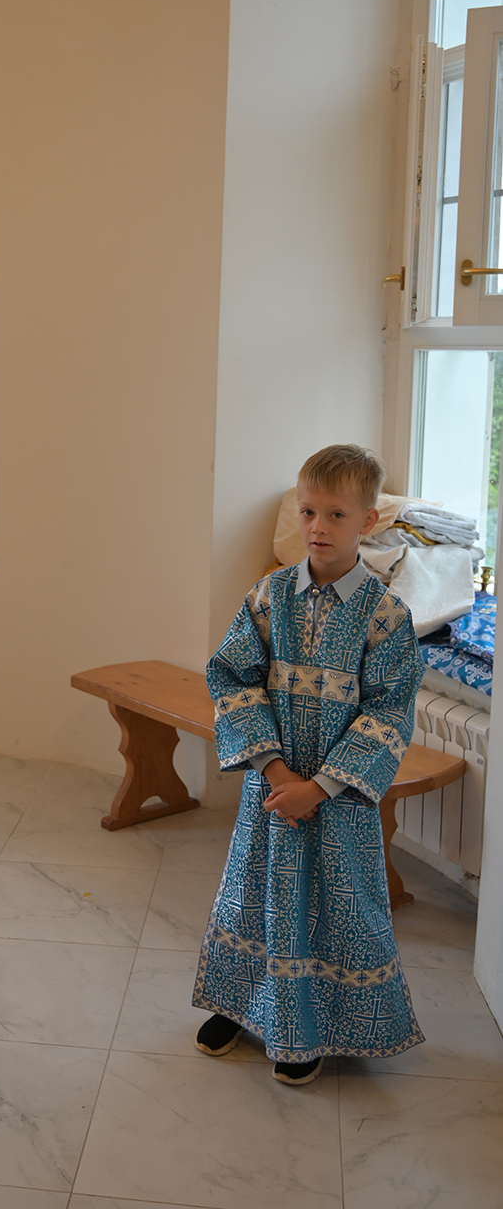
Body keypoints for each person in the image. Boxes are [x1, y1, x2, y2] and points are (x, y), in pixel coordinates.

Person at [192, 444, 426, 1084]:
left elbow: (389, 714)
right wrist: (277, 775)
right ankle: (238, 1005)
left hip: (338, 805)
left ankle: (309, 1028)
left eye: (336, 514)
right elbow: (231, 677)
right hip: (271, 793)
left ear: (368, 520)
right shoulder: (269, 597)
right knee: (252, 895)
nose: (318, 527)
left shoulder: (386, 617)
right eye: (307, 511)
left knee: (336, 910)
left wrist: (317, 789)